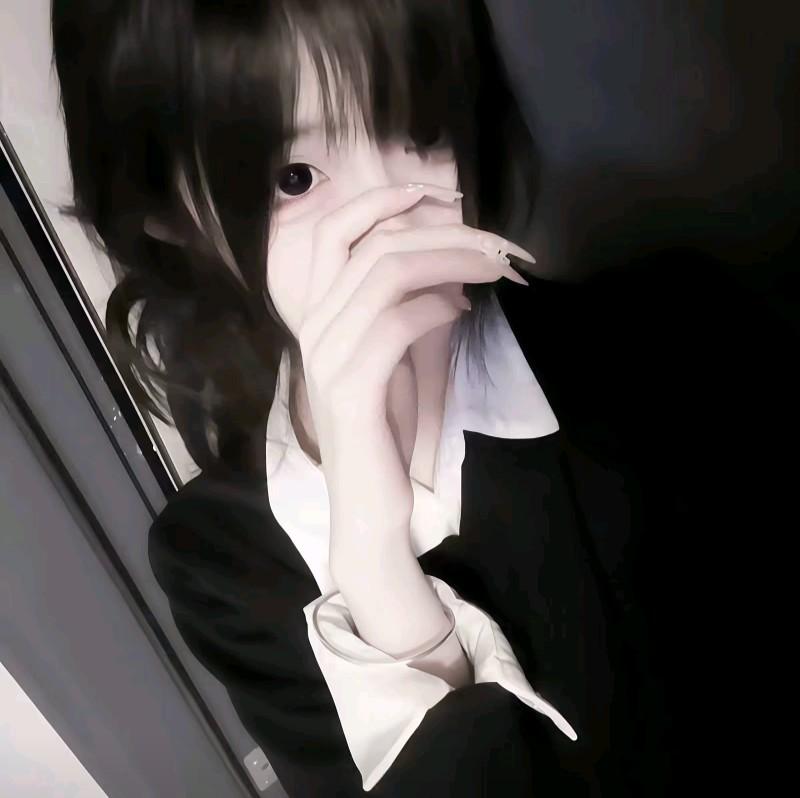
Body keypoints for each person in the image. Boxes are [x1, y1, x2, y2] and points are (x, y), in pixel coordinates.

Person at [50, 1, 796, 795]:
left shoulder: (669, 344)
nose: (398, 218)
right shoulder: (221, 565)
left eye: (423, 127)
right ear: (168, 213)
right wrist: (374, 568)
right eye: (293, 178)